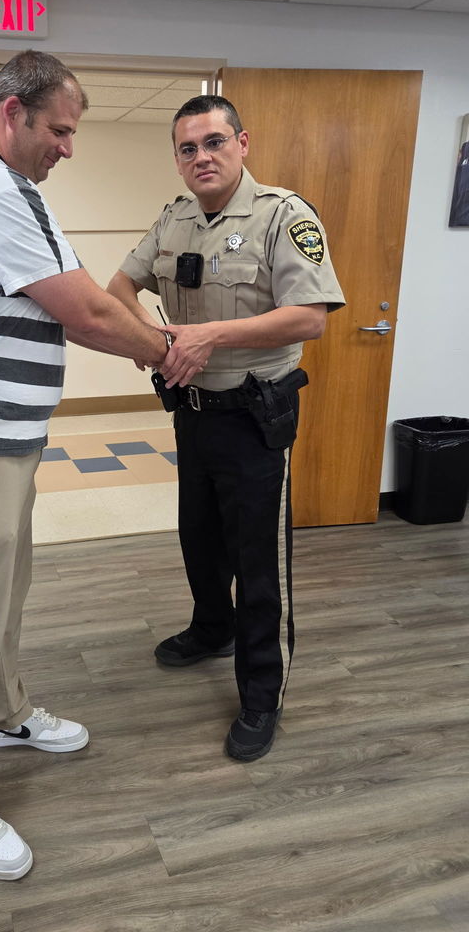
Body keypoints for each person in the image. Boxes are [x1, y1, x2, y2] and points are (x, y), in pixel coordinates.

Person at [0, 50, 170, 882]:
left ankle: (6, 714)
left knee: (6, 595)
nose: (67, 147)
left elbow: (80, 286)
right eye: (59, 129)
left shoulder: (10, 189)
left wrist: (146, 340)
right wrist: (168, 352)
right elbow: (83, 310)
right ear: (11, 113)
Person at [107, 94, 345, 763]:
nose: (201, 157)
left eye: (214, 142)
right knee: (199, 537)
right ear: (178, 160)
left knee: (257, 562)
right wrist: (145, 338)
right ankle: (213, 628)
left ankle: (262, 691)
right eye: (188, 148)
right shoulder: (174, 219)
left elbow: (310, 317)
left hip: (254, 415)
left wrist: (210, 334)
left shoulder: (283, 216)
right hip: (193, 411)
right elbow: (118, 289)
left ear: (243, 143)